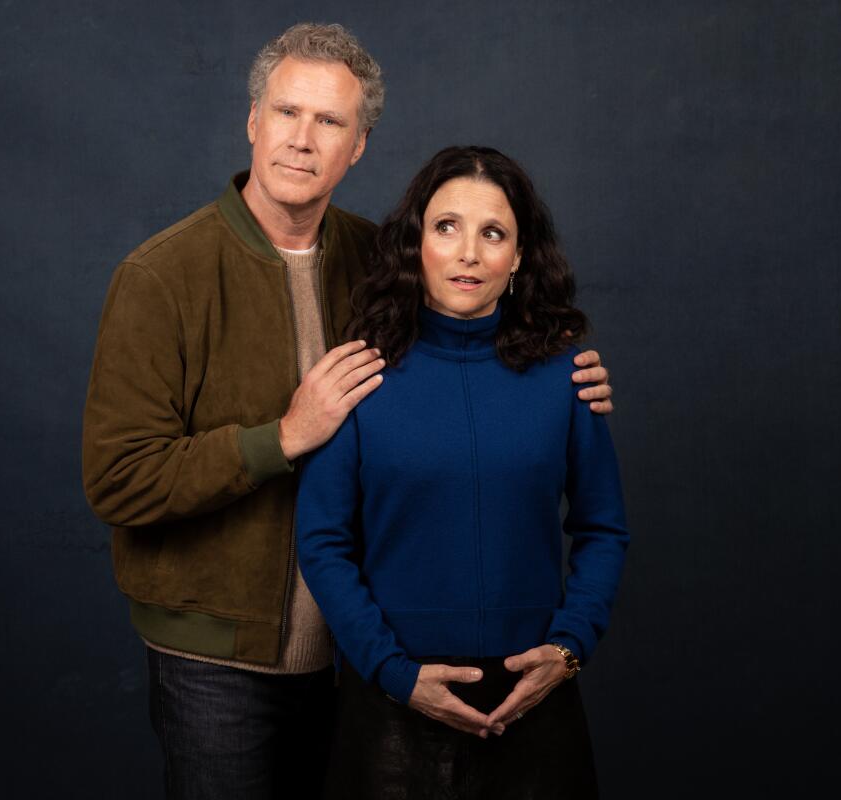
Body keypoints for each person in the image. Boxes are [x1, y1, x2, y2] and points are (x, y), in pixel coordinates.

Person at [81, 23, 615, 800]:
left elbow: (479, 332)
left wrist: (568, 367)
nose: (303, 139)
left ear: (358, 144)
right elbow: (118, 480)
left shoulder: (382, 260)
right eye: (288, 112)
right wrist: (285, 437)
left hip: (354, 656)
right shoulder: (164, 276)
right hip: (220, 662)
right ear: (252, 120)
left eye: (330, 121)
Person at [295, 145, 630, 799]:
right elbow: (322, 541)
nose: (469, 253)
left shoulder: (568, 377)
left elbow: (603, 528)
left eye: (493, 233)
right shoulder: (358, 375)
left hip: (534, 701)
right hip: (390, 702)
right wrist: (393, 671)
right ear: (417, 241)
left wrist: (568, 650)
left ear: (520, 256)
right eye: (447, 227)